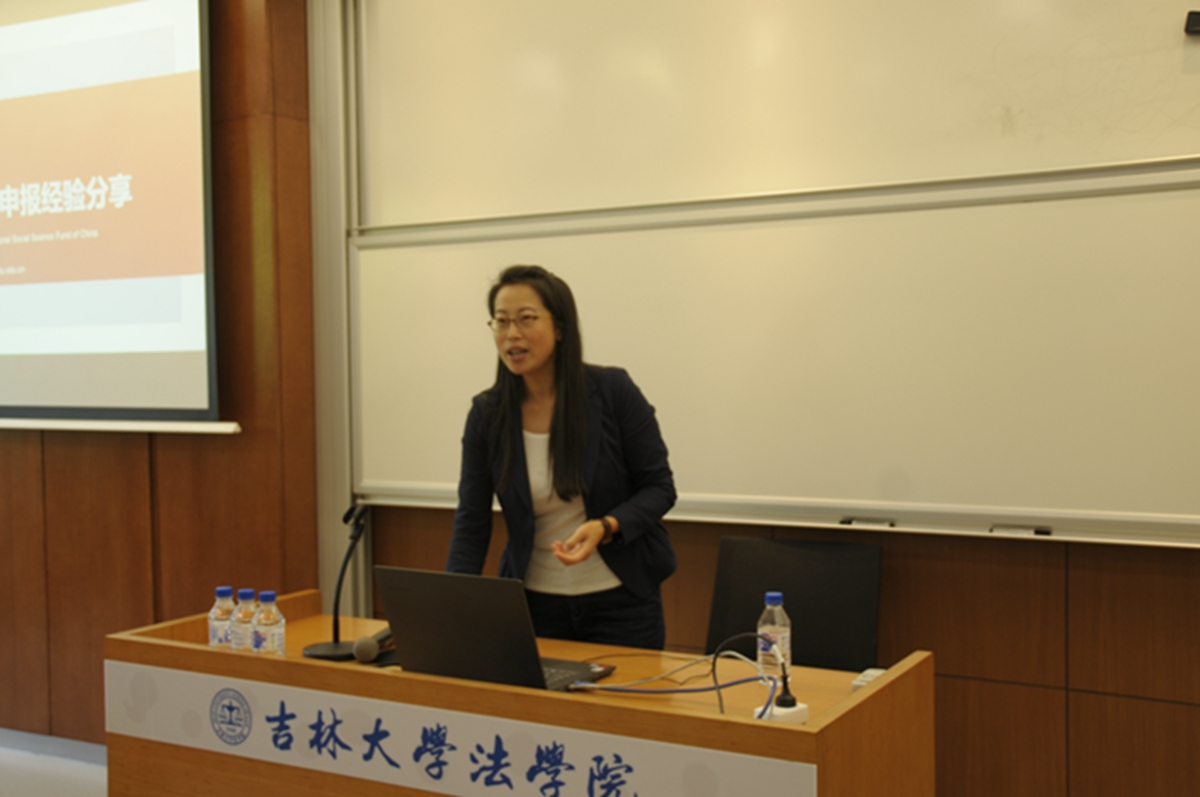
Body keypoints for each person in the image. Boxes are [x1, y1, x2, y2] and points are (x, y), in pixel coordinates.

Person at [446, 264, 677, 649]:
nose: (511, 334)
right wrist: (452, 604)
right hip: (534, 605)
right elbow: (472, 519)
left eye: (526, 319)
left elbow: (659, 488)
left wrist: (606, 526)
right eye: (501, 321)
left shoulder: (612, 391)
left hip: (622, 603)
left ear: (560, 327)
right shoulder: (488, 414)